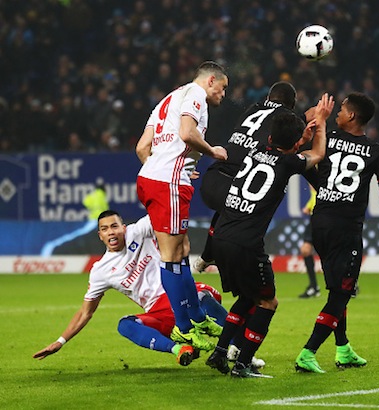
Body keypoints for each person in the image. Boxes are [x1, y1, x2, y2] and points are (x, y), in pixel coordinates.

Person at [205, 94, 334, 378]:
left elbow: (286, 148)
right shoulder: (288, 164)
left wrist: (300, 136)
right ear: (295, 144)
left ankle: (220, 352)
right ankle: (242, 364)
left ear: (271, 136)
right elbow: (317, 154)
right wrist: (321, 123)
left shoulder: (253, 150)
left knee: (247, 297)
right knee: (267, 302)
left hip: (222, 236)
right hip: (247, 244)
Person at [294, 92, 379, 374]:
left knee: (337, 289)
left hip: (320, 223)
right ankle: (308, 352)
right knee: (341, 293)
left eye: (341, 109)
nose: (338, 113)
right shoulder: (377, 151)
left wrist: (324, 187)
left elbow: (307, 167)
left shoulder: (327, 139)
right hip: (346, 227)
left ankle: (343, 349)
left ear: (351, 116)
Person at [33, 211, 227, 366]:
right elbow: (85, 312)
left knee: (201, 296)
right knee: (125, 325)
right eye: (105, 229)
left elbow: (165, 211)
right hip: (160, 312)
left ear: (124, 228)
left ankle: (234, 343)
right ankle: (179, 349)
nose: (111, 232)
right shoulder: (101, 271)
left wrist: (178, 180)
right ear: (100, 236)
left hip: (181, 292)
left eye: (114, 226)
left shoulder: (139, 231)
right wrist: (60, 341)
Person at [135, 61, 228, 351]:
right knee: (171, 256)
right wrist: (212, 151)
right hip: (168, 183)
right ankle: (184, 329)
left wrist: (168, 167)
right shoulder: (196, 95)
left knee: (182, 250)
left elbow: (142, 147)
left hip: (151, 178)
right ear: (211, 80)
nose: (223, 94)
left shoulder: (167, 99)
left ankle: (197, 318)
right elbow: (187, 133)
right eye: (223, 87)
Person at [195, 81, 310, 272]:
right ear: (292, 104)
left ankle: (208, 256)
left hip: (212, 179)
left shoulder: (254, 108)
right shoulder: (284, 120)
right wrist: (306, 119)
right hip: (234, 184)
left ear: (268, 97)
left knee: (227, 212)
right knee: (254, 215)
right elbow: (284, 132)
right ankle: (240, 262)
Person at [298, 184, 320, 298]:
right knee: (305, 250)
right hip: (315, 218)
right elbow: (315, 195)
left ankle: (349, 283)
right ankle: (314, 286)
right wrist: (309, 206)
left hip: (325, 218)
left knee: (333, 251)